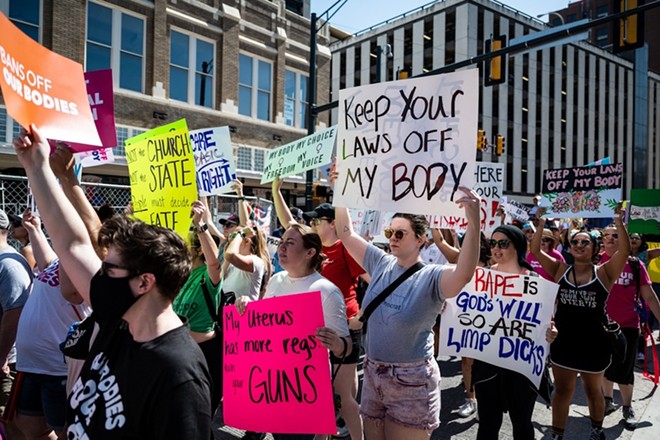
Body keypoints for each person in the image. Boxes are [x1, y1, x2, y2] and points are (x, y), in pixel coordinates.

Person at [13, 125, 211, 439]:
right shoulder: (118, 318)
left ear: (145, 282)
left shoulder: (178, 374)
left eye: (110, 269)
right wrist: (36, 167)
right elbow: (73, 244)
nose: (98, 275)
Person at [334, 186, 482, 440]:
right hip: (373, 373)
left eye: (400, 233)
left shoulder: (432, 276)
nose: (393, 238)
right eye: (390, 231)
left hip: (411, 381)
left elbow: (464, 274)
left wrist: (474, 221)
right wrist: (341, 189)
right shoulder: (380, 261)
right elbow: (346, 234)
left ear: (420, 239)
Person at [235, 223, 351, 440]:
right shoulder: (277, 281)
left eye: (290, 243)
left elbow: (346, 348)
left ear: (310, 252)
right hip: (270, 384)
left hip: (303, 392)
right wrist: (247, 307)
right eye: (281, 242)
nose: (281, 248)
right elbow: (265, 328)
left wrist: (335, 342)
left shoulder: (326, 291)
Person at [272, 178, 365, 440]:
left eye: (316, 221)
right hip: (310, 332)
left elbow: (377, 281)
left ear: (332, 224)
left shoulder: (345, 248)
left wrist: (361, 317)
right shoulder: (304, 252)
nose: (311, 225)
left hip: (343, 326)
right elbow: (289, 223)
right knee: (322, 397)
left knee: (343, 395)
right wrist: (275, 191)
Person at [531, 207, 629, 440]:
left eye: (586, 242)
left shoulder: (604, 273)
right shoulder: (560, 269)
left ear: (596, 249)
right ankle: (557, 434)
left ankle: (596, 428)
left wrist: (618, 220)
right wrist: (542, 220)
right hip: (564, 341)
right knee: (562, 391)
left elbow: (624, 251)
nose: (579, 245)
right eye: (575, 241)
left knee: (592, 390)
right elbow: (534, 249)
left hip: (595, 343)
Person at [472, 225, 557, 440]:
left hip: (521, 368)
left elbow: (546, 321)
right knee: (488, 425)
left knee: (521, 424)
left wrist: (551, 331)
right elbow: (468, 309)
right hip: (488, 364)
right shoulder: (482, 278)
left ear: (517, 246)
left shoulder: (535, 282)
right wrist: (449, 308)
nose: (496, 248)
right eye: (493, 243)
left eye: (503, 243)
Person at [13, 209, 91, 440]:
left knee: (66, 432)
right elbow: (48, 261)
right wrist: (34, 229)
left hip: (58, 370)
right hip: (32, 366)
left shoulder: (86, 271)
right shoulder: (62, 262)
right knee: (30, 427)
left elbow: (73, 294)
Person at [600, 226, 660, 429]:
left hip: (627, 325)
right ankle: (607, 400)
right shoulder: (594, 262)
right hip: (600, 326)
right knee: (604, 366)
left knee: (625, 369)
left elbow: (649, 296)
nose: (609, 239)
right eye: (605, 236)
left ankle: (627, 407)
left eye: (615, 235)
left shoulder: (635, 265)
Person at [172, 200, 222, 413]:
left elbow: (214, 262)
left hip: (206, 355)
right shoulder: (178, 276)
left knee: (201, 413)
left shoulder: (208, 275)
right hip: (179, 352)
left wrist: (201, 226)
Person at [0, 209, 32, 420]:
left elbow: (15, 313)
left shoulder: (9, 264)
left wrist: (1, 357)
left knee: (12, 424)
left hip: (6, 365)